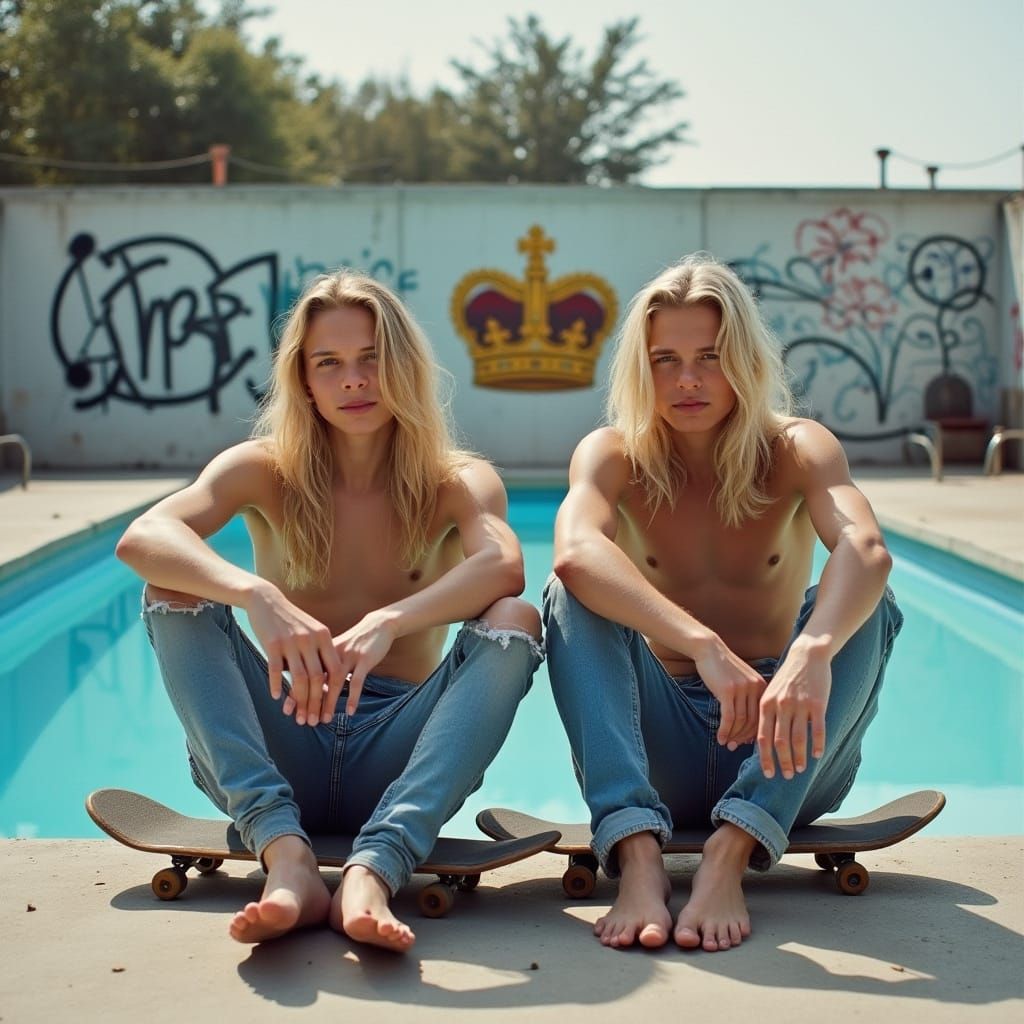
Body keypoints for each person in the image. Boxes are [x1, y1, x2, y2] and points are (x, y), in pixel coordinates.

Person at [116, 270, 543, 953]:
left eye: (372, 359)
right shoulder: (261, 468)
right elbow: (145, 538)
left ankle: (377, 866)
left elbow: (505, 568)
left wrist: (391, 620)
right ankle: (285, 857)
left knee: (515, 620)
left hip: (398, 755)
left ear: (402, 367)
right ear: (304, 380)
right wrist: (258, 594)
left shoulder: (455, 480)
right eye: (330, 364)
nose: (354, 381)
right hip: (278, 744)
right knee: (171, 590)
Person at [544, 254, 902, 953]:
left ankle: (731, 850)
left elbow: (866, 548)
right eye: (665, 359)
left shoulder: (797, 448)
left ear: (743, 358)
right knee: (570, 595)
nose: (687, 380)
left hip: (787, 748)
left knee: (868, 603)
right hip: (659, 748)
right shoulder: (613, 454)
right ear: (640, 370)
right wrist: (703, 646)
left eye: (710, 356)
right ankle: (639, 856)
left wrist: (812, 652)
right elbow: (575, 552)